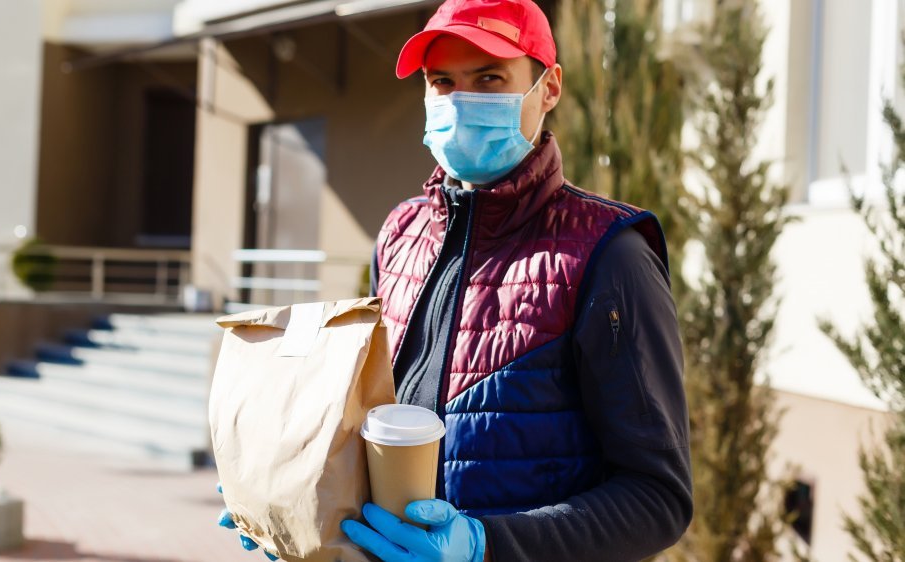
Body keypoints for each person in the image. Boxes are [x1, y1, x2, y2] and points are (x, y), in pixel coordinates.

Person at [221, 0, 692, 560]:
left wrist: (483, 545)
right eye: (441, 81)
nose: (460, 102)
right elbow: (373, 419)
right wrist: (293, 494)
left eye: (490, 78)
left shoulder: (608, 254)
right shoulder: (401, 233)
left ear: (549, 88)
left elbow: (658, 498)